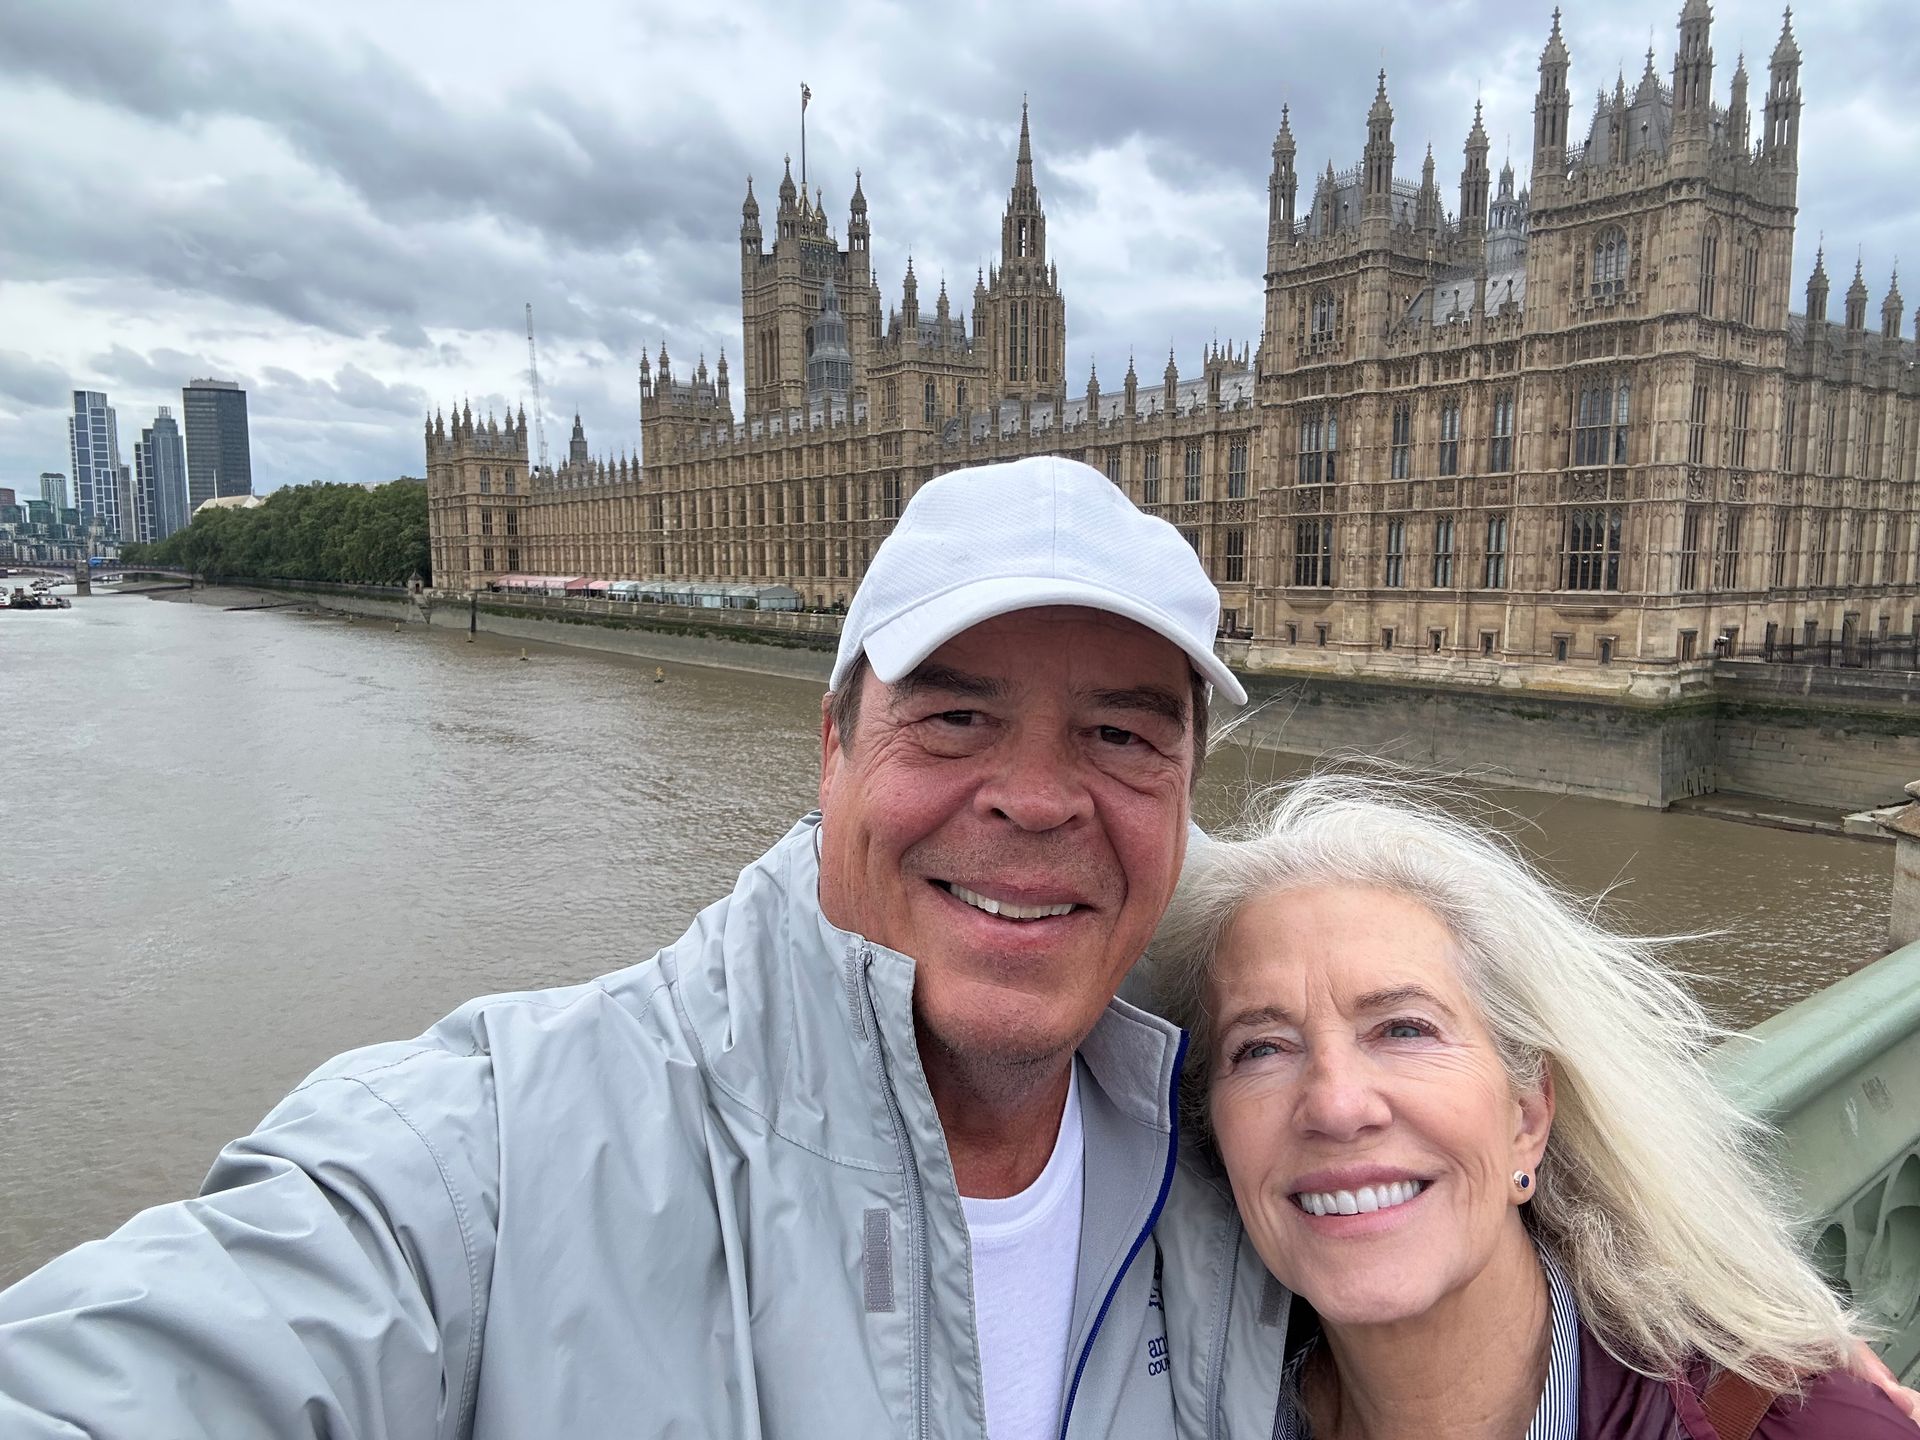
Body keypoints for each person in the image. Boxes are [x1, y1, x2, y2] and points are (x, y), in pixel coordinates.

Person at [0, 456, 1272, 1437]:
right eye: (952, 716)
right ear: (829, 749)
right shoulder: (487, 1161)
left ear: (1185, 790)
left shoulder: (1255, 1171)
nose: (1036, 798)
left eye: (1122, 734)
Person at [1151, 773, 1917, 1439]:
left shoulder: (1803, 1426)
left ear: (1528, 1117)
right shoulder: (1181, 1406)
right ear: (1214, 1133)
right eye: (1261, 1048)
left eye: (1405, 1029)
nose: (1337, 1104)